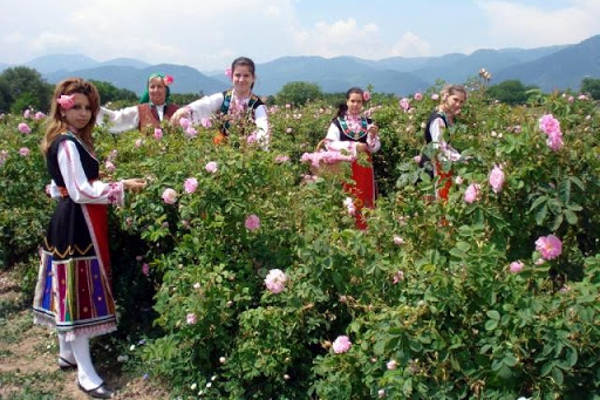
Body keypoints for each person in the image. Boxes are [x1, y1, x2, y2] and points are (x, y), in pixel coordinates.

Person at [33, 78, 146, 398]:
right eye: (77, 107)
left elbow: (60, 186)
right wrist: (123, 188)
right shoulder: (67, 143)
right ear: (62, 108)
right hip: (76, 225)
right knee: (78, 293)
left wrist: (118, 182)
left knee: (67, 287)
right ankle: (85, 371)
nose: (83, 114)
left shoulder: (69, 140)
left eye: (88, 108)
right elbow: (81, 191)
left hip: (71, 219)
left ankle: (66, 353)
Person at [170, 57, 269, 147]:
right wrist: (186, 110)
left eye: (246, 76)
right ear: (232, 77)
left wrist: (259, 146)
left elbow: (263, 128)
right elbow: (206, 104)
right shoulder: (225, 98)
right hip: (221, 151)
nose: (241, 79)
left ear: (253, 78)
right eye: (237, 75)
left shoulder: (257, 105)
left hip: (248, 153)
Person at [324, 87, 380, 230]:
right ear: (347, 102)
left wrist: (372, 136)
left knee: (365, 199)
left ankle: (366, 231)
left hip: (365, 169)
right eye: (352, 101)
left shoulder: (368, 122)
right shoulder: (338, 123)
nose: (355, 105)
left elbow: (374, 148)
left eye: (359, 102)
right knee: (347, 198)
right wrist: (354, 146)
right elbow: (329, 144)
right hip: (345, 169)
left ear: (363, 104)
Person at [419, 84, 467, 201]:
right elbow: (440, 149)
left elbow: (446, 145)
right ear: (446, 97)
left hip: (436, 164)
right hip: (434, 167)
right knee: (437, 203)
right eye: (455, 100)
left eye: (461, 102)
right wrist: (460, 158)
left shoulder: (444, 116)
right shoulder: (438, 119)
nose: (458, 104)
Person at [97, 73, 178, 133]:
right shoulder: (140, 111)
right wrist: (94, 107)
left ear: (166, 89)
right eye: (152, 87)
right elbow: (116, 118)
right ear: (148, 90)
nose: (156, 90)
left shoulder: (177, 111)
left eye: (160, 86)